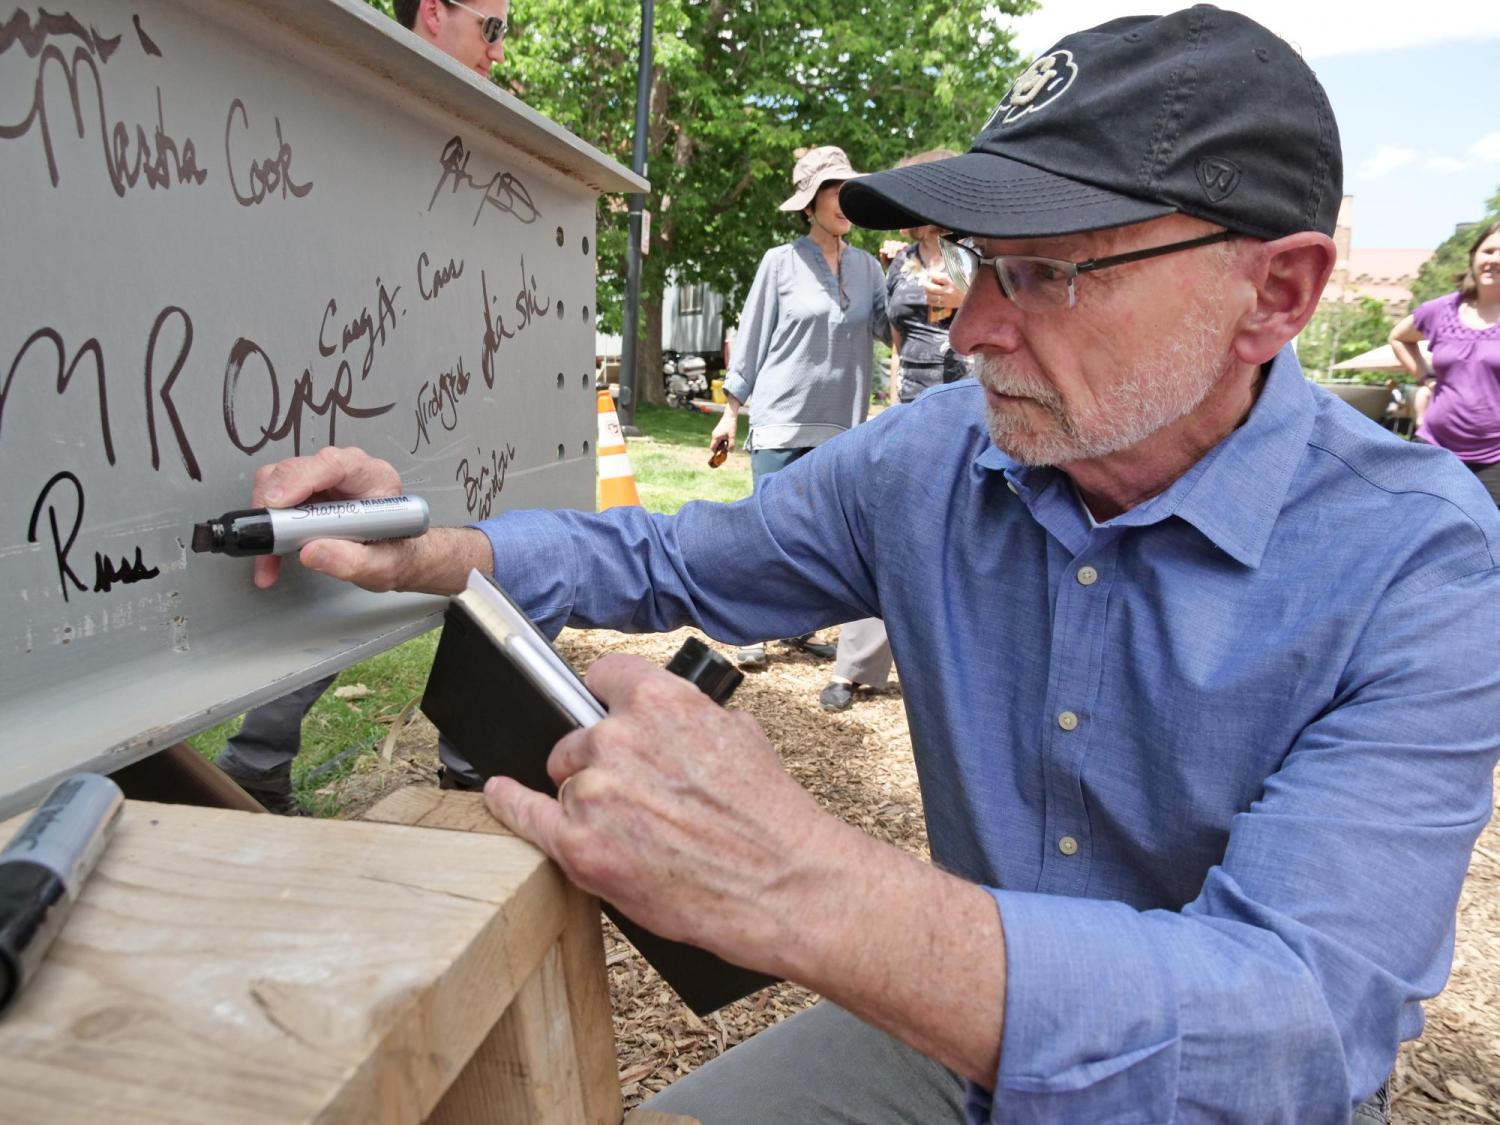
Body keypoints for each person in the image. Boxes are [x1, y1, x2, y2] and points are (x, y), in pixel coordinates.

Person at [243, 8, 1500, 1121]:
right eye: (978, 268)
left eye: (1049, 273)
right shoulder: (932, 460)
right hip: (944, 1049)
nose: (979, 329)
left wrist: (803, 885)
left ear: (1277, 292)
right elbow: (668, 558)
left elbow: (1295, 1022)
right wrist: (443, 547)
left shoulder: (1420, 563)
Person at [211, 0, 510, 813]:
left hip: (451, 379)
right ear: (434, 11)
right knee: (345, 562)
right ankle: (258, 759)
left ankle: (470, 768)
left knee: (488, 557)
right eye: (493, 25)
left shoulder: (472, 125)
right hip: (351, 373)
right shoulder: (350, 92)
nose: (499, 49)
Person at [707, 145, 890, 669]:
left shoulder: (869, 270)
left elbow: (891, 328)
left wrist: (911, 283)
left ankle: (794, 625)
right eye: (833, 190)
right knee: (763, 529)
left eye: (848, 189)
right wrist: (730, 410)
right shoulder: (779, 264)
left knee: (819, 539)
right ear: (809, 205)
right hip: (781, 419)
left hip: (843, 425)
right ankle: (747, 629)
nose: (844, 201)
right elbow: (753, 339)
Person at [821, 149, 967, 712]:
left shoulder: (974, 251)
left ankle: (955, 673)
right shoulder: (900, 261)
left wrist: (962, 297)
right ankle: (855, 666)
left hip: (971, 398)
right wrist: (892, 398)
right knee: (889, 526)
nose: (904, 210)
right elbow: (895, 337)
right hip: (912, 402)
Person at [1390, 219, 1500, 503]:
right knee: (1419, 528)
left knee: (1487, 538)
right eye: (1488, 251)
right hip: (1436, 446)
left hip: (1495, 458)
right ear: (1474, 256)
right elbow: (1399, 337)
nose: (1495, 260)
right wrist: (1425, 378)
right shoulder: (1441, 310)